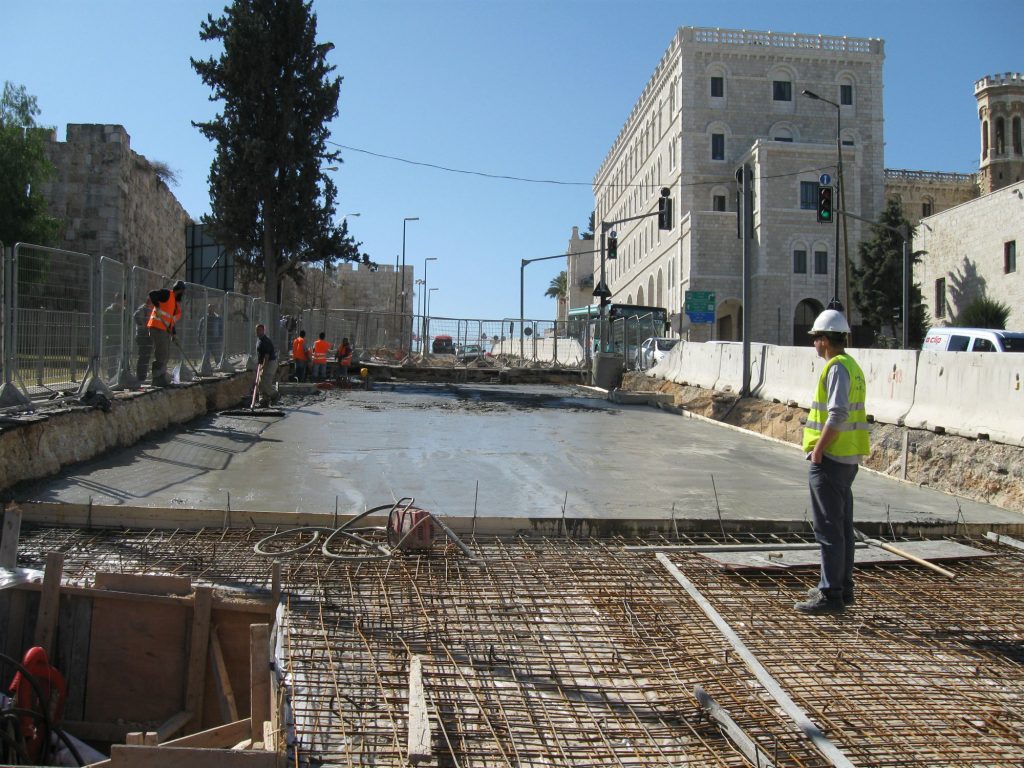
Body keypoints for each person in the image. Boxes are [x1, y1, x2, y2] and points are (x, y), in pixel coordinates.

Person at [795, 309, 870, 615]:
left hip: (831, 458)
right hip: (848, 457)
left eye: (815, 339)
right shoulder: (853, 366)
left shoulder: (836, 368)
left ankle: (831, 595)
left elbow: (837, 414)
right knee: (841, 528)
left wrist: (818, 450)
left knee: (828, 529)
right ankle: (841, 588)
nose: (814, 344)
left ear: (825, 340)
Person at [147, 280, 185, 387]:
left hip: (163, 329)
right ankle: (157, 379)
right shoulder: (167, 293)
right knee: (161, 353)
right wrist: (157, 306)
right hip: (156, 328)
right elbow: (152, 294)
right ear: (180, 291)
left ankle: (161, 376)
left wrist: (174, 334)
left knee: (165, 353)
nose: (183, 295)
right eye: (183, 292)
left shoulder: (173, 303)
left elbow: (170, 321)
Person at [255, 323, 278, 407]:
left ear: (263, 330)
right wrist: (259, 365)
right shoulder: (259, 340)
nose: (257, 332)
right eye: (256, 330)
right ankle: (264, 400)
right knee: (260, 382)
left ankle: (275, 395)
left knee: (265, 382)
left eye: (259, 330)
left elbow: (266, 356)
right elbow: (260, 355)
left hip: (270, 363)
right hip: (264, 363)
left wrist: (263, 367)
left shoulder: (265, 341)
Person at [133, 297, 154, 384]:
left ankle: (143, 376)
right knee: (143, 356)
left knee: (146, 356)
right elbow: (136, 316)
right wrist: (143, 325)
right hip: (142, 336)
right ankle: (140, 377)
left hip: (148, 336)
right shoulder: (143, 309)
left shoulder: (150, 309)